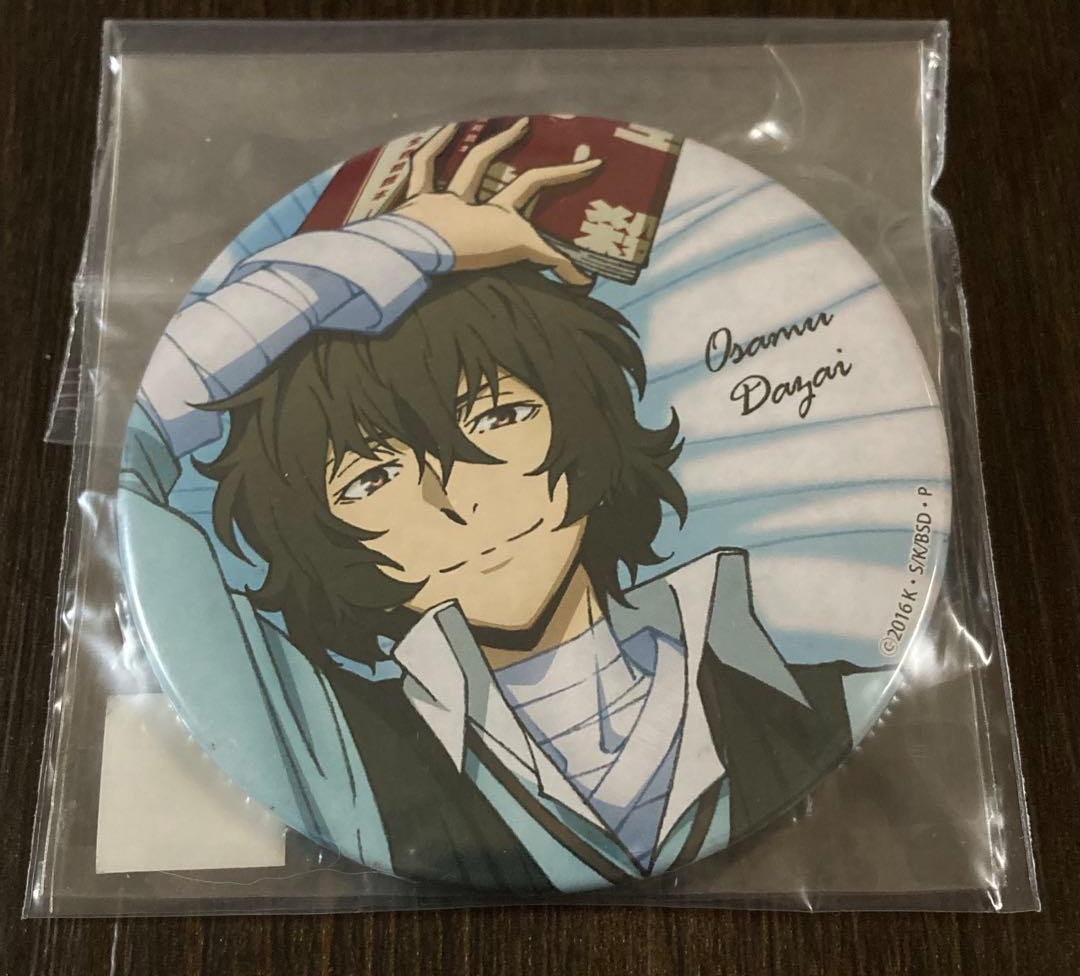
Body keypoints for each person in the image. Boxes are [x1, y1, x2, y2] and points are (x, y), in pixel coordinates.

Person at [119, 120, 858, 892]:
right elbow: (139, 439)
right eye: (371, 479)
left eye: (497, 418)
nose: (455, 501)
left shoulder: (824, 701)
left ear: (582, 416)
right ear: (321, 535)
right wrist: (410, 246)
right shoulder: (335, 750)